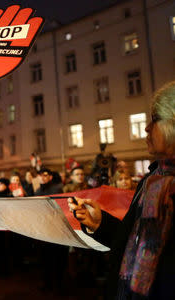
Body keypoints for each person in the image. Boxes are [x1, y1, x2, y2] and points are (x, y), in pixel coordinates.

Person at [68, 80, 175, 299]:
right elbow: (134, 242)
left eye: (155, 119)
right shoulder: (152, 180)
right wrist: (100, 223)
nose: (146, 128)